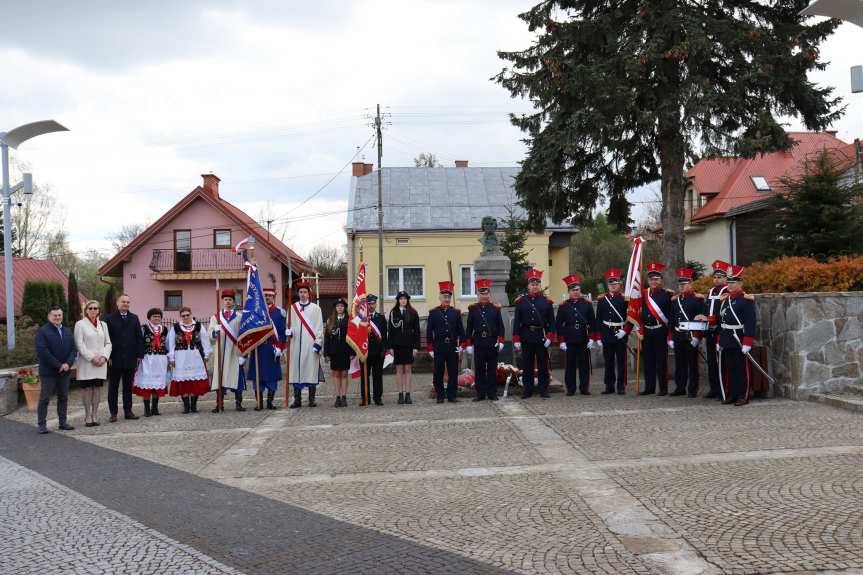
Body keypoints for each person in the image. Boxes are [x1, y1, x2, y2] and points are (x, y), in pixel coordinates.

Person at [513, 268, 556, 398]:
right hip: (526, 335)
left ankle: (544, 389)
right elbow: (517, 322)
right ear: (528, 285)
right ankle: (528, 390)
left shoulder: (546, 302)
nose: (535, 286)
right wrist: (516, 339)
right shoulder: (521, 302)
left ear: (539, 285)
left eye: (537, 284)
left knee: (543, 365)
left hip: (540, 336)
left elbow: (551, 322)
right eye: (532, 284)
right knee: (527, 365)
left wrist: (549, 336)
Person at [718, 264, 757, 406]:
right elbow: (721, 321)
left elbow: (750, 322)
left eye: (733, 282)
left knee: (741, 368)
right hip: (727, 337)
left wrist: (747, 342)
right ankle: (732, 394)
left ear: (740, 283)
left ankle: (743, 395)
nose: (729, 285)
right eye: (728, 282)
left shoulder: (746, 300)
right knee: (730, 368)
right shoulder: (725, 299)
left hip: (739, 338)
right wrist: (719, 340)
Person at [35, 306, 77, 434]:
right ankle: (42, 425)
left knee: (63, 397)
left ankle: (62, 423)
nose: (58, 317)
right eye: (55, 315)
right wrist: (58, 365)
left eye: (60, 315)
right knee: (45, 399)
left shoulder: (67, 330)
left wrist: (68, 364)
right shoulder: (43, 331)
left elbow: (73, 349)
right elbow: (43, 351)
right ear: (49, 316)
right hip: (49, 372)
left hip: (64, 371)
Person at [104, 293, 145, 422]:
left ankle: (128, 411)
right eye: (123, 302)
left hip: (130, 358)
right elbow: (106, 339)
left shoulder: (134, 318)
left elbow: (139, 338)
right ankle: (113, 413)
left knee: (128, 387)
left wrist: (139, 355)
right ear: (117, 303)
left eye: (128, 302)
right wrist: (108, 356)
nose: (126, 304)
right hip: (114, 358)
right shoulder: (109, 318)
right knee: (113, 387)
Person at [555, 274, 597, 396]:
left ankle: (584, 388)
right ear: (568, 291)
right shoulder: (564, 306)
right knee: (570, 366)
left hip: (583, 338)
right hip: (569, 340)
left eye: (577, 290)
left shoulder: (587, 304)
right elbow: (559, 325)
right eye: (573, 290)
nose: (575, 292)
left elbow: (592, 323)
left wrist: (591, 339)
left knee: (584, 366)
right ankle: (571, 389)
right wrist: (562, 341)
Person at [285, 280, 324, 408]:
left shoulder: (316, 309)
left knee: (311, 371)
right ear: (298, 293)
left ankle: (312, 399)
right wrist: (288, 331)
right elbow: (288, 325)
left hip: (310, 345)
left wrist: (318, 343)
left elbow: (319, 328)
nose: (302, 294)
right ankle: (297, 400)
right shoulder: (292, 308)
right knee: (296, 371)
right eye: (300, 292)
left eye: (305, 292)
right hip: (296, 345)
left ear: (309, 293)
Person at [245, 288, 286, 410]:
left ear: (274, 297)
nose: (267, 298)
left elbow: (282, 332)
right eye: (265, 296)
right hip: (258, 348)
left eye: (269, 296)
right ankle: (260, 403)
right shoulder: (256, 313)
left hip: (272, 349)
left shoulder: (279, 313)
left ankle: (269, 402)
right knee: (258, 377)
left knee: (272, 377)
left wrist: (280, 348)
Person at [465, 278, 505, 401]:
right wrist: (469, 344)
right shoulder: (473, 309)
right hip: (479, 343)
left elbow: (500, 327)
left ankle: (492, 393)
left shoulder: (495, 309)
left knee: (492, 369)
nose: (484, 295)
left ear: (489, 294)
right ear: (478, 294)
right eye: (482, 293)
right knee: (480, 369)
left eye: (486, 293)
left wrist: (501, 341)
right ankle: (480, 393)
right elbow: (469, 328)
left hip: (491, 342)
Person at [73, 300, 112, 427]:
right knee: (87, 389)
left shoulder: (103, 324)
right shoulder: (80, 324)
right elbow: (79, 344)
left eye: (96, 308)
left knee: (97, 389)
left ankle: (95, 415)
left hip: (101, 362)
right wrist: (92, 358)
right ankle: (87, 416)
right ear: (86, 310)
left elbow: (108, 343)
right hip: (87, 363)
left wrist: (104, 357)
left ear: (99, 310)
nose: (93, 310)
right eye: (90, 308)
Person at [667, 267, 705, 397]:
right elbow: (672, 320)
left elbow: (701, 320)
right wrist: (670, 337)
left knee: (692, 364)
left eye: (685, 284)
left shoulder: (697, 299)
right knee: (679, 363)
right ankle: (680, 387)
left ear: (691, 284)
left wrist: (697, 337)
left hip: (690, 336)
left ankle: (693, 389)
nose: (682, 286)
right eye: (680, 284)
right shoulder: (675, 300)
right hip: (678, 335)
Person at [427, 281, 466, 403]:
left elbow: (461, 331)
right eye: (445, 297)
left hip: (452, 346)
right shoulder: (433, 313)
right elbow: (429, 331)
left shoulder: (456, 312)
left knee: (453, 371)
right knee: (438, 371)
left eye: (449, 297)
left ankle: (451, 395)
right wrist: (430, 348)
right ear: (440, 297)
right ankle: (440, 395)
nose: (447, 299)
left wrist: (462, 345)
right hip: (439, 346)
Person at [595, 268, 631, 395]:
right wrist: (599, 336)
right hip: (607, 333)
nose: (613, 286)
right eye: (610, 283)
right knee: (608, 361)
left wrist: (625, 331)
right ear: (608, 285)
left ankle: (621, 386)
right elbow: (598, 318)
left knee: (621, 362)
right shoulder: (602, 300)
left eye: (615, 283)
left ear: (620, 284)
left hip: (620, 332)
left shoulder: (625, 299)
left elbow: (631, 317)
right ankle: (609, 386)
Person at [168, 307, 211, 413]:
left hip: (195, 355)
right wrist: (172, 357)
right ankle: (186, 406)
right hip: (181, 356)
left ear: (191, 314)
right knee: (183, 382)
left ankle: (194, 405)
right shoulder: (176, 327)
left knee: (194, 381)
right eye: (183, 316)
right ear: (180, 317)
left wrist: (206, 354)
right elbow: (171, 343)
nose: (186, 317)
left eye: (188, 315)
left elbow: (205, 340)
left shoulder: (198, 326)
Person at [210, 290, 247, 412]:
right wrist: (215, 331)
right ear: (222, 301)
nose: (228, 302)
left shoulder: (240, 317)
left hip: (234, 352)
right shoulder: (215, 318)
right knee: (219, 379)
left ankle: (238, 403)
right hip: (220, 352)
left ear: (234, 302)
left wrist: (243, 354)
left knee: (237, 378)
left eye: (230, 300)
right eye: (226, 300)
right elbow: (210, 337)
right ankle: (219, 404)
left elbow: (243, 336)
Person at [640, 263, 673, 396]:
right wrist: (640, 330)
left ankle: (663, 388)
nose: (654, 281)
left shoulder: (667, 295)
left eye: (656, 279)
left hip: (660, 331)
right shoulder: (643, 294)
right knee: (648, 361)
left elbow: (670, 316)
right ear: (648, 281)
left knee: (661, 361)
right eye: (651, 279)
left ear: (661, 280)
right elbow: (638, 313)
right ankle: (649, 387)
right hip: (647, 331)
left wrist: (670, 335)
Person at [698, 260, 730, 399]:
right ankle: (714, 388)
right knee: (711, 361)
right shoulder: (711, 291)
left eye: (720, 277)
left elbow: (724, 312)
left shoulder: (727, 291)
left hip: (720, 331)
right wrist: (703, 317)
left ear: (725, 278)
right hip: (710, 331)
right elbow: (707, 309)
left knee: (722, 361)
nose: (716, 279)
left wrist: (710, 319)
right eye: (715, 277)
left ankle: (724, 389)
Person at [133, 308, 169, 416]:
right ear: (149, 318)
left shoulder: (165, 329)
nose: (157, 318)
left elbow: (167, 344)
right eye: (154, 316)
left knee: (157, 384)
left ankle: (155, 408)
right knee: (147, 384)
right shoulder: (144, 328)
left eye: (158, 316)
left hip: (160, 359)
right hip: (148, 359)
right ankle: (147, 409)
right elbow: (138, 342)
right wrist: (139, 356)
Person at [387, 290, 421, 404]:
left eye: (405, 299)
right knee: (399, 369)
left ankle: (408, 394)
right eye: (401, 299)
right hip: (397, 345)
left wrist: (416, 347)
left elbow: (417, 331)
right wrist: (390, 346)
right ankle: (400, 394)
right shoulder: (393, 312)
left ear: (407, 300)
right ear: (398, 300)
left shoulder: (413, 312)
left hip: (409, 345)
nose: (403, 300)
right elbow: (390, 331)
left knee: (408, 369)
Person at [324, 298, 352, 407]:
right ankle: (337, 396)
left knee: (344, 374)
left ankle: (344, 396)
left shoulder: (349, 320)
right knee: (335, 374)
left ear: (344, 308)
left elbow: (353, 337)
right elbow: (327, 338)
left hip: (345, 351)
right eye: (337, 306)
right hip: (334, 351)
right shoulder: (330, 320)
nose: (339, 308)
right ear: (335, 308)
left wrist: (352, 353)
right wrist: (326, 353)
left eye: (341, 306)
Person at [363, 294, 388, 406]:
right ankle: (365, 398)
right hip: (364, 351)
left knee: (377, 375)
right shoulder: (361, 318)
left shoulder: (381, 318)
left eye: (373, 303)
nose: (371, 306)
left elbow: (384, 336)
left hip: (377, 352)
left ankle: (378, 397)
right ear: (366, 305)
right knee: (365, 375)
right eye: (369, 304)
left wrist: (384, 350)